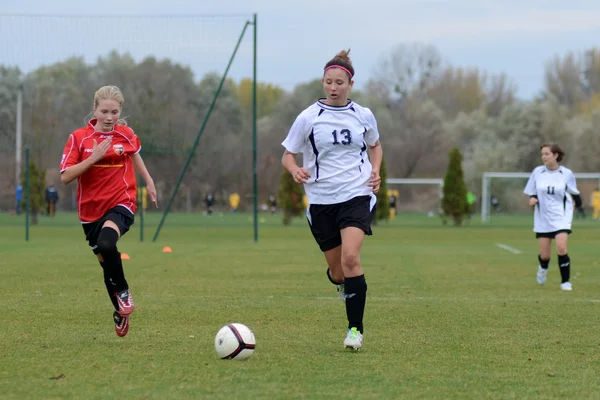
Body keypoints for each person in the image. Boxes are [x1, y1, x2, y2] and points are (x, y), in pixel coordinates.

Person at [281, 49, 383, 350]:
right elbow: (288, 154)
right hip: (321, 199)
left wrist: (375, 170)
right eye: (328, 82)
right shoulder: (308, 117)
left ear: (350, 83)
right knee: (338, 271)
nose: (333, 87)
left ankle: (355, 330)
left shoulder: (363, 115)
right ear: (323, 82)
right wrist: (295, 169)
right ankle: (341, 282)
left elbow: (375, 145)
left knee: (352, 258)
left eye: (339, 82)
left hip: (356, 194)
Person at [60, 85, 157, 337]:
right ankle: (119, 311)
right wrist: (92, 158)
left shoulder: (125, 134)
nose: (110, 117)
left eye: (114, 111)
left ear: (120, 111)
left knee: (107, 242)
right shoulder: (79, 138)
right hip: (90, 212)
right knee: (107, 265)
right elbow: (65, 177)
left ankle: (124, 292)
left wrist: (149, 181)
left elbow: (135, 155)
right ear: (95, 110)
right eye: (104, 111)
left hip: (121, 202)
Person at [524, 143, 581, 291]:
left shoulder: (566, 174)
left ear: (555, 155)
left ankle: (565, 282)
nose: (543, 157)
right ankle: (543, 268)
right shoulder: (537, 172)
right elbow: (533, 192)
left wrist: (577, 205)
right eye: (542, 154)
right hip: (543, 218)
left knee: (561, 248)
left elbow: (575, 193)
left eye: (546, 154)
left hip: (561, 217)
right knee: (545, 256)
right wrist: (532, 199)